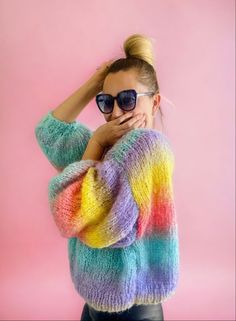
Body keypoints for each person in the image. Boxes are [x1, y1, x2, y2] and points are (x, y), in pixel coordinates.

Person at [35, 33, 180, 321]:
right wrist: (95, 82)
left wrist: (96, 143)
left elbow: (74, 211)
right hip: (96, 304)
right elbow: (50, 132)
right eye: (106, 101)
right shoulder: (108, 146)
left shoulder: (148, 148)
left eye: (127, 100)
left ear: (154, 103)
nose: (115, 112)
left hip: (133, 308)